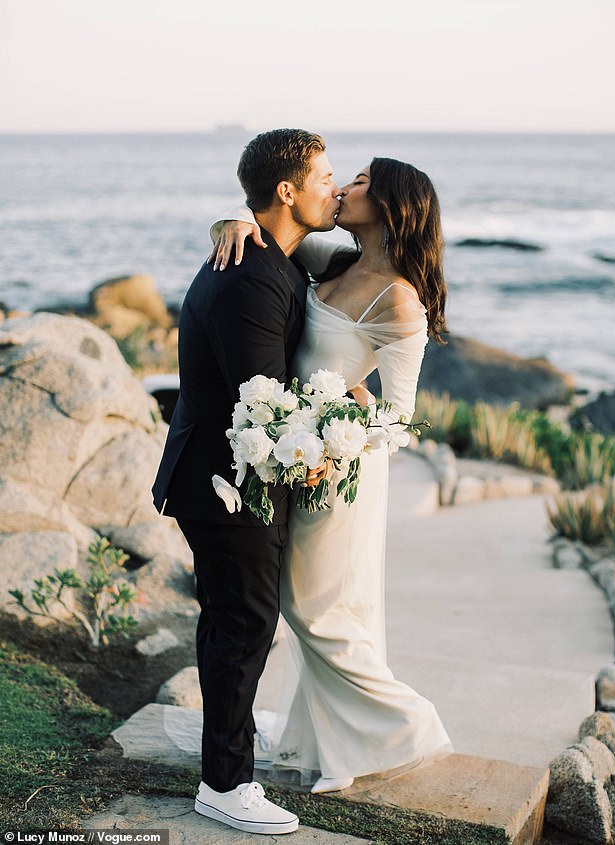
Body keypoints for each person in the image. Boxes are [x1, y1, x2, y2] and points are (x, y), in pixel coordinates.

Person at [210, 156, 453, 795]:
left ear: (395, 204)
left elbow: (400, 419)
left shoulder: (400, 299)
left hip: (340, 469)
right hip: (297, 455)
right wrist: (230, 220)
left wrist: (337, 433)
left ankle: (408, 724)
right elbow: (272, 231)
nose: (344, 188)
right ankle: (332, 738)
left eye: (363, 183)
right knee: (307, 604)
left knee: (312, 608)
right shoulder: (334, 261)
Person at [151, 128, 340, 835]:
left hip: (232, 474)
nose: (334, 187)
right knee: (245, 620)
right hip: (226, 482)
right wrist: (319, 443)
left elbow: (362, 252)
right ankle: (226, 783)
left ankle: (224, 749)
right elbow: (260, 397)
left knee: (234, 618)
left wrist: (236, 217)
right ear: (286, 190)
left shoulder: (271, 254)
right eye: (323, 176)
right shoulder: (249, 275)